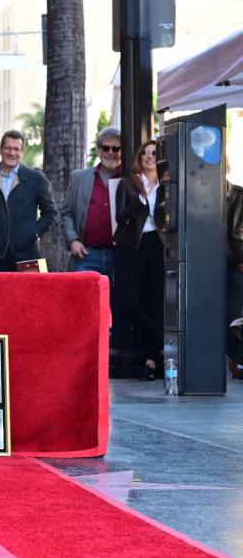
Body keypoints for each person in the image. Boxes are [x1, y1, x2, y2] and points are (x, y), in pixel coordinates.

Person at [0, 130, 57, 272]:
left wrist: (32, 233)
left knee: (33, 294)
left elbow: (50, 213)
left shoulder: (36, 178)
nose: (12, 153)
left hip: (29, 255)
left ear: (22, 152)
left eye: (16, 149)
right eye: (8, 148)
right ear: (0, 150)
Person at [112, 140, 165, 381]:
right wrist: (141, 199)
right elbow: (121, 217)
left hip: (158, 245)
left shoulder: (168, 185)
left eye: (154, 153)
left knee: (154, 304)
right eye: (144, 152)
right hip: (132, 247)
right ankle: (155, 347)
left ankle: (151, 359)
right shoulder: (128, 184)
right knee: (130, 302)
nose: (149, 157)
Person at [62, 127, 123, 276]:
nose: (110, 153)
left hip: (120, 256)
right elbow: (67, 213)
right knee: (82, 298)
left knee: (116, 300)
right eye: (105, 148)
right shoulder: (78, 178)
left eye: (116, 148)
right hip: (86, 255)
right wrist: (72, 240)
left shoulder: (131, 179)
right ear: (99, 150)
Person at [227, 174, 243, 379]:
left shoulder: (239, 194)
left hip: (235, 264)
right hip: (202, 264)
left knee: (233, 317)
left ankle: (236, 360)